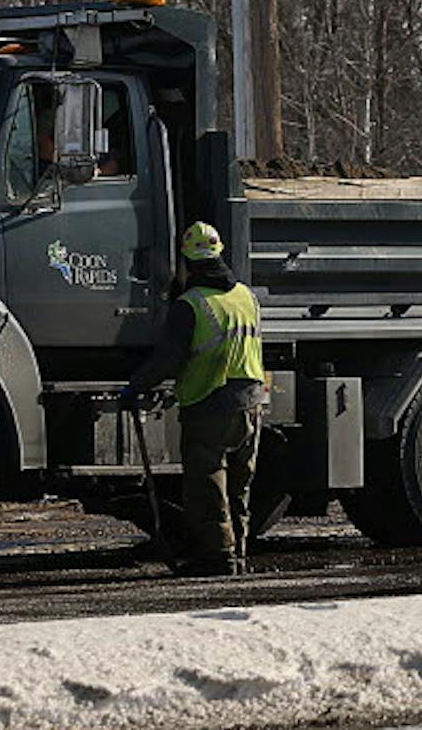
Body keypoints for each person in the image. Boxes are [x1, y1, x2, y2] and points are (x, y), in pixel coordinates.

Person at [121, 221, 268, 576]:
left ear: (186, 262)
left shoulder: (191, 305)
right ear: (219, 253)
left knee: (207, 484)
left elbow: (168, 359)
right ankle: (239, 551)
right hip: (250, 402)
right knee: (239, 484)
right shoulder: (246, 296)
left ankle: (218, 557)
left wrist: (136, 386)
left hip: (209, 401)